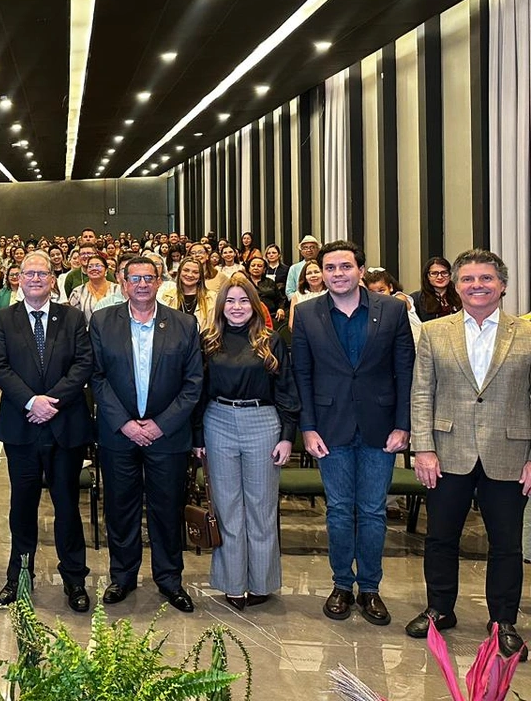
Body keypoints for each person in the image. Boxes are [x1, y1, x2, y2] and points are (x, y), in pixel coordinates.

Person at [407, 250, 531, 660]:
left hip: (509, 451)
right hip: (447, 451)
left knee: (506, 543)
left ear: (503, 285)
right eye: (468, 279)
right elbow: (422, 392)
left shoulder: (526, 332)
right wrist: (423, 448)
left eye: (486, 278)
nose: (477, 285)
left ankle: (503, 620)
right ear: (455, 285)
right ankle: (440, 609)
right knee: (441, 537)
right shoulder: (435, 331)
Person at [290, 239, 414, 627]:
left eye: (345, 266)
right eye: (330, 268)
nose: (338, 274)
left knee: (375, 511)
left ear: (361, 270)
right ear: (320, 273)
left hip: (381, 427)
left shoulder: (392, 310)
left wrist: (404, 424)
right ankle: (342, 584)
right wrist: (307, 428)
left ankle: (371, 588)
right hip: (330, 427)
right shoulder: (307, 314)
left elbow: (406, 371)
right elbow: (302, 376)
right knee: (341, 510)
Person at [90, 254, 202, 613]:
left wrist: (159, 424)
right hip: (117, 433)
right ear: (123, 283)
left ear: (159, 282)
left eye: (148, 278)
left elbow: (193, 383)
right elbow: (96, 377)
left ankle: (169, 579)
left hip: (166, 435)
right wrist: (124, 423)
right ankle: (122, 576)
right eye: (134, 278)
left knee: (166, 509)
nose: (141, 284)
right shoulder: (103, 321)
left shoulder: (184, 324)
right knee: (120, 509)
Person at [0, 250, 94, 612]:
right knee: (22, 506)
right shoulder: (4, 319)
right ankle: (18, 577)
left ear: (53, 279)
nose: (35, 278)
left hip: (65, 425)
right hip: (22, 426)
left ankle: (75, 579)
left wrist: (52, 401)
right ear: (17, 278)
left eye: (42, 273)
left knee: (66, 505)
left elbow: (83, 364)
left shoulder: (73, 318)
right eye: (28, 273)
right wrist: (32, 402)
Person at [193, 275, 298, 609]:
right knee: (227, 508)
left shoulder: (270, 340)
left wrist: (287, 436)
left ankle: (261, 582)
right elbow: (197, 392)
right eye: (230, 301)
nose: (236, 308)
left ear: (254, 305)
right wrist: (197, 437)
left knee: (261, 507)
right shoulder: (208, 340)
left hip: (262, 422)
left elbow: (286, 389)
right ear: (221, 306)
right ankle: (232, 582)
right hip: (218, 421)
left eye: (243, 301)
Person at [158, 257, 216, 331]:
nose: (190, 275)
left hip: (202, 341)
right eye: (186, 270)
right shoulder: (167, 296)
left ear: (200, 276)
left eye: (195, 272)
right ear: (180, 272)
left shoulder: (212, 297)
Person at [68, 253, 120, 324]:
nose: (94, 269)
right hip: (87, 333)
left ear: (106, 270)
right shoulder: (77, 292)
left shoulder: (118, 290)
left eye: (98, 266)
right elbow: (72, 319)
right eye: (90, 266)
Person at [409, 257, 463, 323]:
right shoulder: (416, 300)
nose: (440, 277)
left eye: (444, 272)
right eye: (434, 273)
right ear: (427, 276)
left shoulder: (460, 296)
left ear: (450, 275)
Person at [246, 256, 286, 324]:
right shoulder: (244, 283)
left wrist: (281, 309)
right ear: (249, 268)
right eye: (253, 265)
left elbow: (280, 299)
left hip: (272, 315)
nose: (256, 268)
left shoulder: (270, 282)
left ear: (264, 269)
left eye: (259, 266)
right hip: (249, 317)